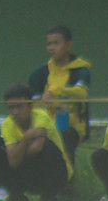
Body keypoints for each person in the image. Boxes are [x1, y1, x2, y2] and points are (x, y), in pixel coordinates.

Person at [0, 83, 72, 201]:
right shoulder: (8, 124)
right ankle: (15, 194)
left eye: (19, 107)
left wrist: (16, 152)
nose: (15, 112)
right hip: (25, 172)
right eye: (11, 108)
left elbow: (37, 148)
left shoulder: (41, 117)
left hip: (53, 174)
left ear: (31, 105)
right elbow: (13, 162)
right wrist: (26, 138)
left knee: (47, 146)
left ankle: (50, 195)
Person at [29, 25, 91, 164]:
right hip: (45, 124)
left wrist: (55, 92)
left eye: (56, 43)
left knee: (63, 137)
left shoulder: (80, 70)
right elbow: (34, 105)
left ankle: (67, 176)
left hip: (73, 126)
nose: (51, 48)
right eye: (49, 44)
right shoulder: (39, 73)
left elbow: (81, 93)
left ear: (68, 45)